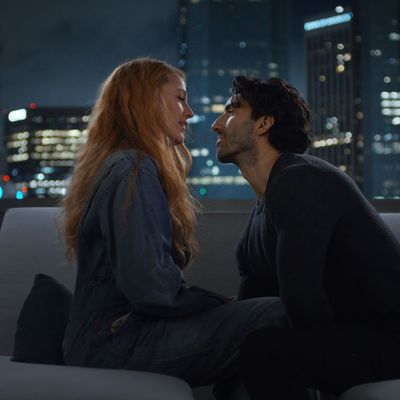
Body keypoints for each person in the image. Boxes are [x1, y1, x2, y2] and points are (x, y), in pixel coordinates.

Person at [60, 58, 287, 392]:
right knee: (276, 314)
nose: (190, 113)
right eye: (180, 98)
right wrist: (219, 304)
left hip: (104, 339)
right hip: (115, 344)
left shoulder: (121, 164)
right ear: (145, 102)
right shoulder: (133, 168)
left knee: (251, 341)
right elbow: (152, 289)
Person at [211, 76, 400, 399]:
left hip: (387, 338)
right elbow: (249, 311)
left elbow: (304, 301)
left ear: (264, 124)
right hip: (346, 336)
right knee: (235, 363)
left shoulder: (302, 180)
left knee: (265, 350)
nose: (217, 124)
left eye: (232, 110)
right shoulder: (261, 214)